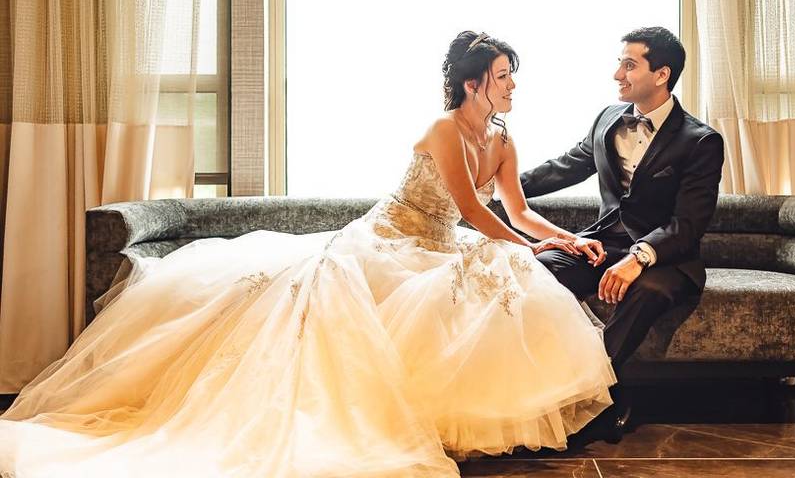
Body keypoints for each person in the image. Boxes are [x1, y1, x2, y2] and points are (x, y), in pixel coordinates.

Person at [0, 31, 615, 477]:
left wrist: (564, 238)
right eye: (505, 76)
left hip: (438, 243)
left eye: (513, 76)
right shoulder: (444, 130)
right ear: (473, 82)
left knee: (503, 273)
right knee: (486, 269)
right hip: (390, 241)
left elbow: (516, 208)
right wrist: (531, 249)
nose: (513, 86)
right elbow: (477, 213)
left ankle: (476, 415)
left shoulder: (502, 139)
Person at [520, 26, 724, 440]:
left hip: (666, 258)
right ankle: (534, 386)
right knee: (538, 268)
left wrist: (639, 257)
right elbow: (567, 165)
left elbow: (688, 224)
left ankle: (593, 399)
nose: (618, 74)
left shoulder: (700, 141)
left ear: (661, 74)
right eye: (619, 64)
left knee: (646, 292)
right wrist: (498, 187)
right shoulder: (608, 118)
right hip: (603, 242)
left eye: (629, 65)